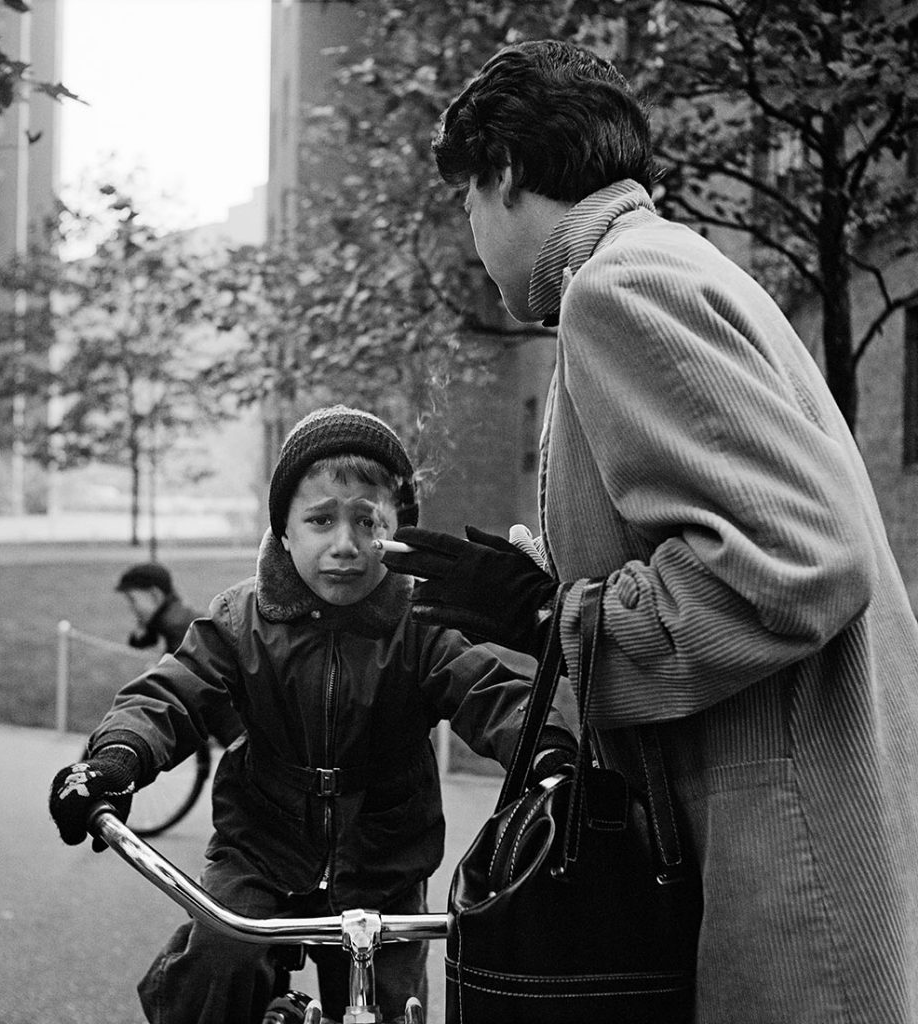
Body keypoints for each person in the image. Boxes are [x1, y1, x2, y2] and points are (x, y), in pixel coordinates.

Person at [380, 41, 918, 1024]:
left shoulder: (620, 287)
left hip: (784, 858)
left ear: (503, 176)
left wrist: (556, 615)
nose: (469, 234)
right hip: (807, 822)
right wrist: (563, 581)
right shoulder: (675, 263)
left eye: (464, 204)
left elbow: (798, 560)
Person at [49, 405, 578, 1024]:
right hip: (262, 848)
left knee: (392, 1006)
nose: (345, 545)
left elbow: (490, 692)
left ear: (395, 528)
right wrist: (116, 760)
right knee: (221, 961)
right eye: (321, 520)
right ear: (285, 531)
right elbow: (170, 693)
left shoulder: (422, 624)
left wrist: (549, 757)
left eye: (366, 521)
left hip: (385, 862)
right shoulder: (239, 619)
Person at [116, 561, 242, 747]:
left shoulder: (176, 624)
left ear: (155, 595)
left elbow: (178, 683)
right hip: (227, 716)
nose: (131, 607)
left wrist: (161, 670)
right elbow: (141, 640)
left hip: (234, 721)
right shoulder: (171, 615)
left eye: (133, 600)